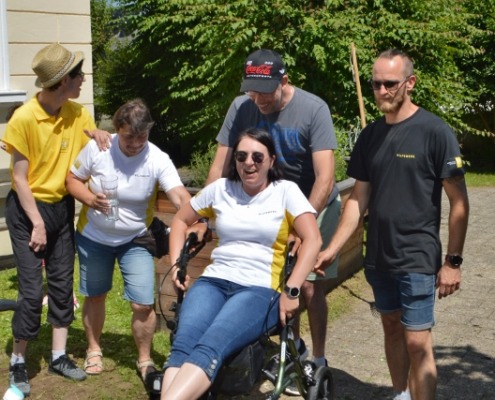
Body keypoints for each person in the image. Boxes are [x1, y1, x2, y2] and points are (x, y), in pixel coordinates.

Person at [314, 49, 470, 400]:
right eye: (376, 84)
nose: (381, 91)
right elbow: (358, 199)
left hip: (417, 255)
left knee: (417, 341)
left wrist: (453, 262)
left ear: (410, 83)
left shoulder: (434, 131)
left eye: (390, 83)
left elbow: (459, 203)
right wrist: (332, 249)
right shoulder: (370, 136)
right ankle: (401, 394)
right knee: (391, 327)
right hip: (378, 257)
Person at [206, 49, 339, 389]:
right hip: (269, 203)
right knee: (274, 279)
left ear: (284, 81)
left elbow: (325, 177)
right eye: (252, 90)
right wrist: (202, 215)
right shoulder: (241, 107)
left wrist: (301, 225)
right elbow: (220, 165)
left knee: (307, 283)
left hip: (313, 201)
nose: (258, 99)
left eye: (265, 91)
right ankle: (292, 348)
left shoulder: (313, 109)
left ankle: (317, 358)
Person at [161, 128, 322, 400]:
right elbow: (180, 220)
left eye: (258, 157)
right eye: (241, 156)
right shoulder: (220, 189)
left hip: (259, 288)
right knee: (183, 345)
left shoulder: (285, 191)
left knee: (211, 345)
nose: (249, 163)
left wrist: (293, 290)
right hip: (214, 281)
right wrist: (178, 264)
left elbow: (313, 239)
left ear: (271, 160)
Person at [2, 43, 110, 397]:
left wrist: (100, 137)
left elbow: (92, 157)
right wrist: (36, 223)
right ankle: (18, 359)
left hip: (61, 208)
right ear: (64, 81)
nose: (83, 80)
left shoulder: (78, 114)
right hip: (27, 210)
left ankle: (59, 356)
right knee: (33, 291)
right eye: (79, 75)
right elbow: (20, 179)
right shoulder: (23, 118)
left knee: (62, 284)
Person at [65, 99, 192, 383]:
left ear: (149, 131)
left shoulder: (157, 158)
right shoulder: (99, 148)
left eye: (141, 137)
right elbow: (72, 179)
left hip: (135, 237)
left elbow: (179, 194)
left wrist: (196, 216)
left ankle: (145, 358)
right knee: (95, 295)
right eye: (128, 137)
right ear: (116, 130)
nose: (135, 144)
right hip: (94, 236)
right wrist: (89, 199)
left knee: (143, 304)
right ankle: (94, 348)